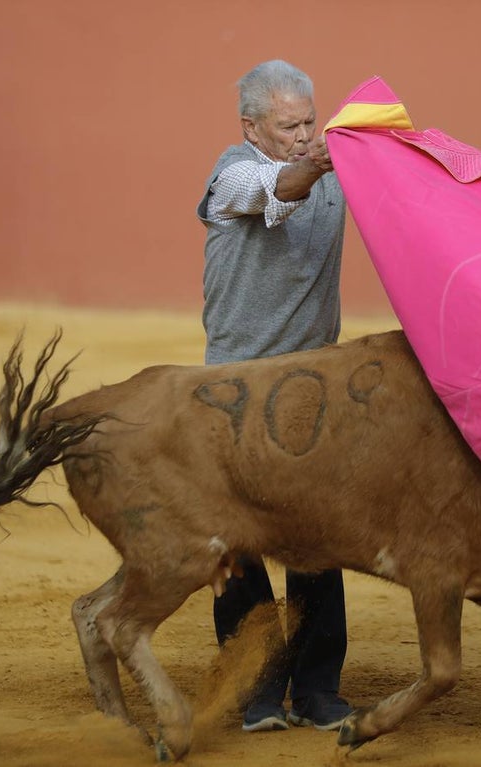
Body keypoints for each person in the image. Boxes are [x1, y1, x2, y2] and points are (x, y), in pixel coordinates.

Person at [196, 59, 351, 734]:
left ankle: (317, 689)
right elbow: (279, 188)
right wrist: (317, 164)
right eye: (289, 125)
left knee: (317, 538)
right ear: (251, 127)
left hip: (312, 391)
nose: (302, 134)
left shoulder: (332, 167)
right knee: (243, 541)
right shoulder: (231, 176)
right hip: (235, 389)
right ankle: (256, 691)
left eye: (309, 122)